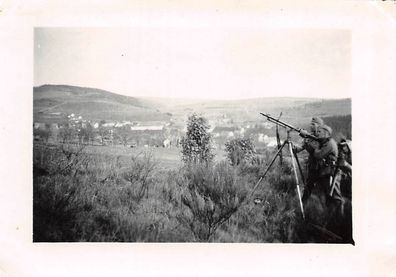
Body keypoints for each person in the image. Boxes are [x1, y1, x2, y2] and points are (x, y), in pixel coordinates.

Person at [293, 117, 324, 203]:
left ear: (319, 126)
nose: (311, 126)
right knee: (308, 186)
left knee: (321, 189)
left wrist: (306, 140)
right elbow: (301, 148)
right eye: (311, 124)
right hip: (312, 166)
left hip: (321, 167)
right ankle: (304, 205)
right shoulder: (310, 136)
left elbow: (314, 150)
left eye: (313, 124)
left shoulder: (322, 136)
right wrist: (294, 148)